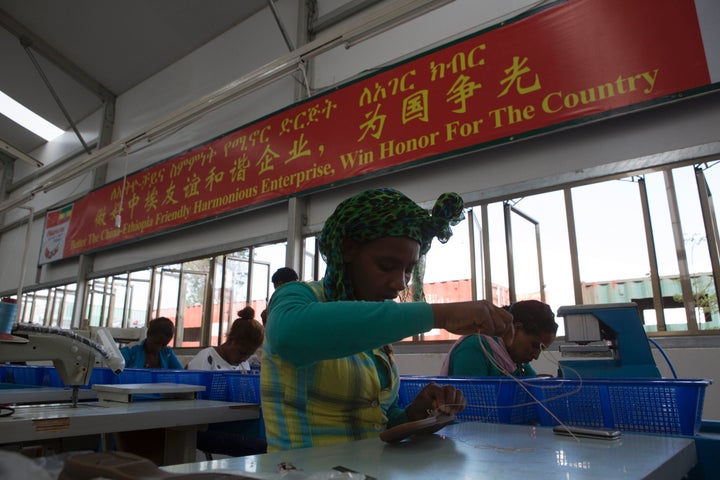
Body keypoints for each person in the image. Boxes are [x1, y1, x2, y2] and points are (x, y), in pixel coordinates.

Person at [261, 187, 514, 451]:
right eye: (386, 265)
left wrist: (415, 414)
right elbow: (289, 336)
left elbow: (378, 425)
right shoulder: (297, 298)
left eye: (408, 270)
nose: (399, 283)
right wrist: (441, 315)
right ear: (349, 249)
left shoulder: (376, 329)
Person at [441, 300, 558, 377]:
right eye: (535, 346)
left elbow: (531, 388)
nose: (536, 356)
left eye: (541, 350)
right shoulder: (474, 350)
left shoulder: (515, 362)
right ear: (516, 329)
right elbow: (473, 407)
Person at [187, 306, 264, 372]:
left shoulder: (244, 365)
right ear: (232, 341)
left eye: (249, 355)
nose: (244, 359)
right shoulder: (207, 358)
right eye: (242, 353)